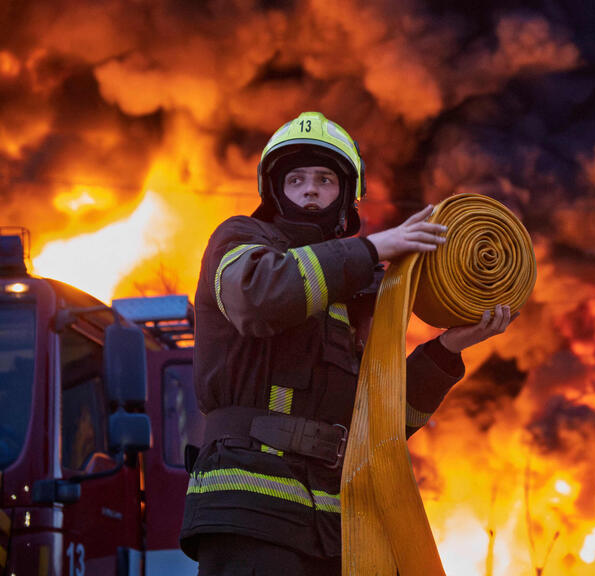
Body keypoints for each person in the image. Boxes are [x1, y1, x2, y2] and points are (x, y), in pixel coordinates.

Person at [179, 111, 515, 575]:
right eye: (296, 179)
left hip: (333, 528)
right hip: (248, 514)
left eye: (324, 179)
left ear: (346, 195)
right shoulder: (240, 240)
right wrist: (374, 249)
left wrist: (448, 349)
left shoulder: (354, 295)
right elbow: (259, 298)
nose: (310, 190)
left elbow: (380, 424)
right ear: (274, 191)